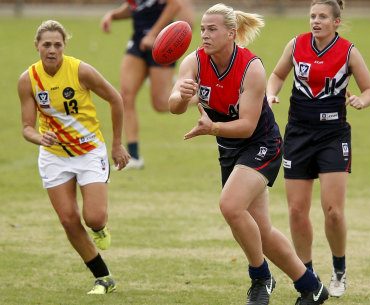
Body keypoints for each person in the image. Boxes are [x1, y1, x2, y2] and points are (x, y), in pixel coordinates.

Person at [168, 4, 329, 305]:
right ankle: (312, 288)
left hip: (261, 143)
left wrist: (212, 127)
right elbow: (174, 104)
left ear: (231, 33)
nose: (204, 35)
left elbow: (246, 126)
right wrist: (182, 96)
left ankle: (261, 278)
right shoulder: (194, 62)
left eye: (212, 29)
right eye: (202, 29)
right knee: (262, 231)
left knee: (230, 206)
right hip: (230, 150)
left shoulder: (251, 67)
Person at [266, 0, 370, 298]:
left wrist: (361, 101)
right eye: (312, 16)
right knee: (296, 210)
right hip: (298, 134)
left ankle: (339, 268)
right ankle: (308, 275)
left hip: (332, 136)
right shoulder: (296, 45)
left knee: (333, 211)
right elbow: (276, 76)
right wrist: (271, 94)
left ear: (336, 22)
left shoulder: (349, 52)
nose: (316, 21)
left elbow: (369, 90)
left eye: (323, 17)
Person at [17, 20, 131, 294]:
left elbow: (116, 99)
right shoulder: (28, 80)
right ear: (37, 47)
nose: (52, 50)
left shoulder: (81, 71)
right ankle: (103, 277)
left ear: (64, 46)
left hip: (89, 150)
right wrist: (39, 138)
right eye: (46, 45)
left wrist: (117, 145)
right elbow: (26, 128)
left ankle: (100, 228)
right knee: (68, 219)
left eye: (57, 44)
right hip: (54, 156)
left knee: (93, 217)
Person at [100, 0, 194, 169]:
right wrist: (113, 15)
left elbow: (175, 5)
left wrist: (153, 33)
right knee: (125, 96)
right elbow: (135, 7)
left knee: (161, 103)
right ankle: (133, 157)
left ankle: (201, 95)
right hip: (138, 40)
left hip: (164, 42)